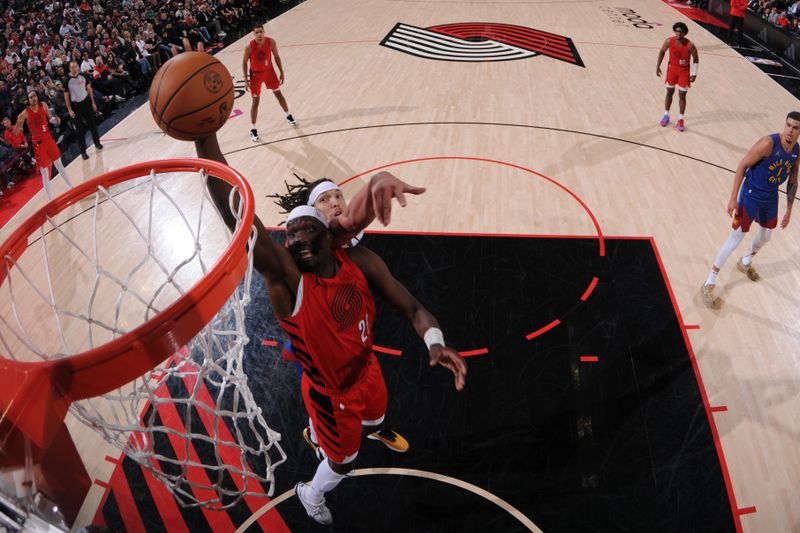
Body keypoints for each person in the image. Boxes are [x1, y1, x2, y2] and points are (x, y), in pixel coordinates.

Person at [195, 134, 467, 525]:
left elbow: (413, 308)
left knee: (376, 420)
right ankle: (312, 492)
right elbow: (238, 215)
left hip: (366, 369)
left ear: (329, 235)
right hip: (331, 393)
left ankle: (355, 430)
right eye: (291, 235)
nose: (298, 239)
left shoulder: (361, 260)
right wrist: (206, 143)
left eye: (308, 230)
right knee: (344, 463)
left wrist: (435, 342)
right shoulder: (288, 284)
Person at [702, 112, 799, 307]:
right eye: (788, 125)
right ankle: (709, 282)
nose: (790, 130)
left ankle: (745, 262)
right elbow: (742, 165)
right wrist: (733, 198)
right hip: (751, 194)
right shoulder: (768, 144)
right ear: (784, 125)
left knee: (766, 236)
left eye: (795, 127)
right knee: (735, 239)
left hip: (771, 196)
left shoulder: (796, 151)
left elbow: (793, 180)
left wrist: (789, 209)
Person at [14, 90, 74, 200]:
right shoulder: (25, 112)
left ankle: (71, 186)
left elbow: (50, 118)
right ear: (28, 100)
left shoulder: (44, 105)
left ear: (37, 97)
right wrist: (18, 122)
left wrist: (55, 120)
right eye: (31, 97)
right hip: (38, 144)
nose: (33, 98)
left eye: (34, 96)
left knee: (59, 164)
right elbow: (16, 133)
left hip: (48, 139)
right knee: (45, 173)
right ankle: (49, 199)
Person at [242, 24, 296, 142]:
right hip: (255, 75)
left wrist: (281, 72)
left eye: (261, 31)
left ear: (264, 31)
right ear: (253, 34)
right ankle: (253, 129)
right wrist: (246, 80)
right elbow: (244, 63)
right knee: (256, 102)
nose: (259, 34)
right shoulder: (249, 47)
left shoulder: (271, 42)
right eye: (257, 32)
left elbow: (276, 57)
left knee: (279, 94)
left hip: (269, 71)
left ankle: (288, 115)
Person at [656, 22, 699, 133]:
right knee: (669, 92)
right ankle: (666, 115)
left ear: (684, 33)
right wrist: (658, 66)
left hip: (684, 71)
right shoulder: (669, 41)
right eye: (677, 31)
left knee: (682, 95)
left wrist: (694, 73)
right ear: (674, 31)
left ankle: (681, 119)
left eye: (681, 32)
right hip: (672, 69)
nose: (678, 33)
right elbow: (662, 51)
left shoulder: (690, 45)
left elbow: (696, 59)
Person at [64, 60, 103, 160]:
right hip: (76, 107)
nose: (74, 68)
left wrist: (93, 102)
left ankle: (97, 143)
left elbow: (89, 88)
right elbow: (66, 96)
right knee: (80, 130)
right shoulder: (67, 80)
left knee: (92, 125)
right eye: (72, 67)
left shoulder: (83, 76)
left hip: (86, 103)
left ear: (77, 67)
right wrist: (69, 110)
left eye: (75, 66)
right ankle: (83, 152)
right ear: (69, 69)